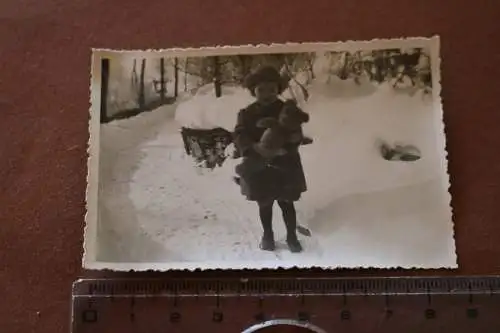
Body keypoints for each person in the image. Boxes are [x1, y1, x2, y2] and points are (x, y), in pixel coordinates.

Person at [233, 65, 308, 253]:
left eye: (272, 90)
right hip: (260, 165)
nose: (267, 94)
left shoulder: (286, 110)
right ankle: (268, 235)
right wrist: (253, 147)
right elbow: (239, 135)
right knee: (264, 202)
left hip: (285, 163)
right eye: (261, 90)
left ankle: (292, 236)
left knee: (286, 202)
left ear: (278, 90)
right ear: (253, 91)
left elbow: (296, 132)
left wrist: (288, 146)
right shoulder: (246, 113)